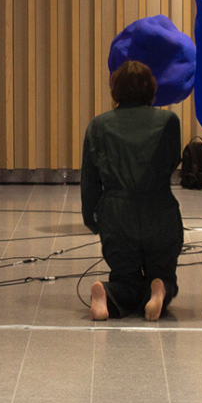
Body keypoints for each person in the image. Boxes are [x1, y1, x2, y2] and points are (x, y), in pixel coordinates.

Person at [80, 60, 183, 321]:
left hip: (116, 212)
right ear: (151, 90)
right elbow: (172, 161)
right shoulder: (168, 120)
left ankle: (106, 292)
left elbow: (90, 179)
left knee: (124, 278)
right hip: (159, 209)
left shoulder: (98, 125)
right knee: (163, 271)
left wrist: (92, 218)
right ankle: (159, 288)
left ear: (116, 91)